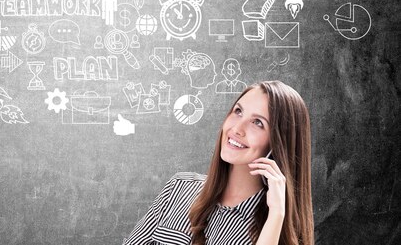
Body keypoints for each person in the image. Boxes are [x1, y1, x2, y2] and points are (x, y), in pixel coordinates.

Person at [123, 80, 314, 245]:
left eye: (258, 123)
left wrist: (277, 214)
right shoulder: (179, 188)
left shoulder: (273, 229)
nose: (237, 128)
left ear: (279, 145)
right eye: (238, 111)